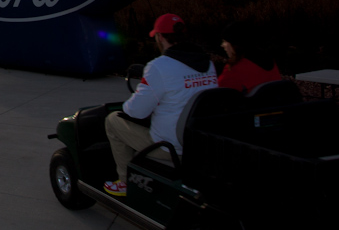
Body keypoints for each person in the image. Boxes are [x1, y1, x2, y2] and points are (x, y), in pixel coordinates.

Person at [103, 14, 218, 197]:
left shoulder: (159, 66)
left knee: (112, 121)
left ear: (160, 37)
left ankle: (125, 182)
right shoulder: (208, 64)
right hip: (199, 144)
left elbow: (135, 111)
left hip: (170, 148)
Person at [217, 22, 281, 93]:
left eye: (225, 41)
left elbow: (219, 94)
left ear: (234, 44)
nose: (222, 45)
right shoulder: (270, 62)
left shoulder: (235, 69)